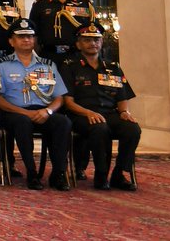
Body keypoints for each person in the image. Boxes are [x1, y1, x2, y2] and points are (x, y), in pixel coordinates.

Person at [59, 24, 140, 191]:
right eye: (87, 40)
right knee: (99, 128)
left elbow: (122, 96)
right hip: (81, 114)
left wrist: (124, 112)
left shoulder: (113, 67)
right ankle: (101, 175)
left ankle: (119, 173)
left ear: (102, 42)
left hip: (110, 113)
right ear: (78, 44)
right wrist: (87, 112)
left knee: (132, 129)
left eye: (96, 40)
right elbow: (68, 101)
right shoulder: (69, 66)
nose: (92, 43)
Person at [0, 17, 73, 190]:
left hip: (43, 111)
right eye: (21, 36)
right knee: (22, 123)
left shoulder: (48, 65)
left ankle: (59, 174)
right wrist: (25, 113)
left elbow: (60, 96)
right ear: (11, 41)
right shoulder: (0, 65)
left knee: (63, 122)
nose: (26, 40)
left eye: (30, 36)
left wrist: (49, 112)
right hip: (15, 113)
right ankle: (31, 173)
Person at [28, 0, 97, 63]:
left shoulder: (84, 3)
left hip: (77, 56)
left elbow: (93, 32)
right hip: (48, 56)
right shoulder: (40, 4)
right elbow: (34, 34)